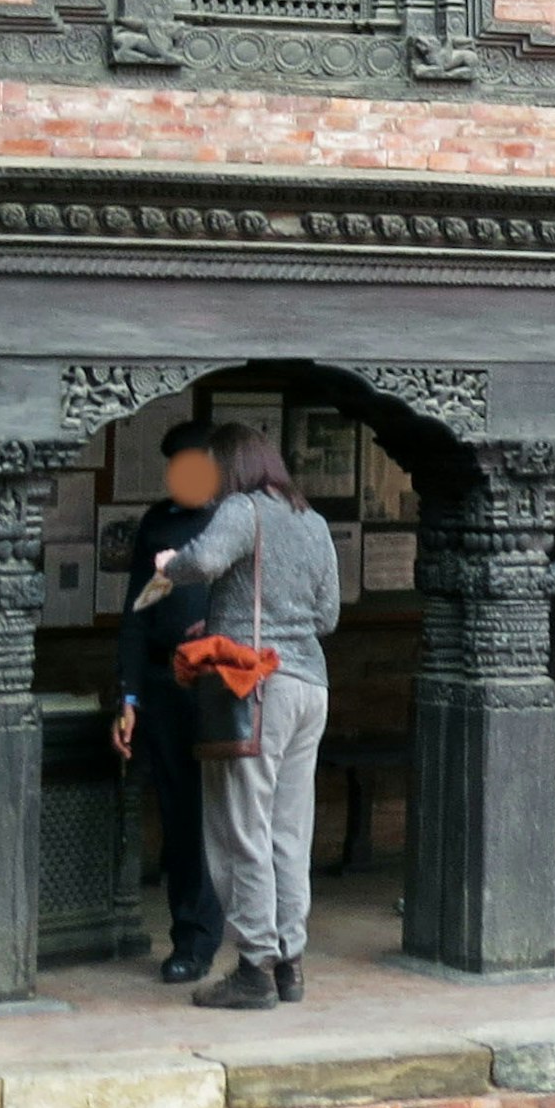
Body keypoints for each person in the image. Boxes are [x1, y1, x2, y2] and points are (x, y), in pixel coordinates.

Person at [140, 420, 340, 1009]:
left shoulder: (242, 509)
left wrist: (169, 562)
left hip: (255, 689)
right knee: (289, 831)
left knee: (240, 830)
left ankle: (254, 967)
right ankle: (290, 963)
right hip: (310, 686)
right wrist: (227, 623)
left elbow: (204, 563)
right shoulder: (314, 521)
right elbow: (325, 615)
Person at [109, 421, 228, 983]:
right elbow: (137, 613)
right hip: (163, 683)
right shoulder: (159, 522)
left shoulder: (235, 518)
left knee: (227, 816)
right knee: (181, 815)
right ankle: (192, 939)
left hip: (221, 682)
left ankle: (244, 937)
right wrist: (127, 694)